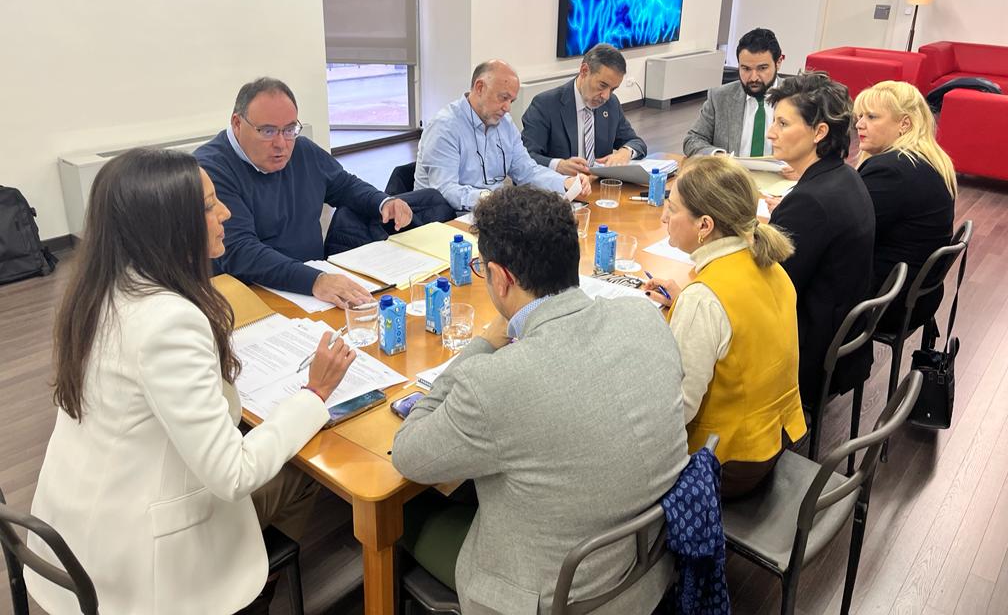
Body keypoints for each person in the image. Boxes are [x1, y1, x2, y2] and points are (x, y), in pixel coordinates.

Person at [26, 148, 355, 615]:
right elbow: (233, 474)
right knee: (301, 469)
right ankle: (258, 594)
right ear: (168, 226)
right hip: (137, 568)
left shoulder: (99, 292)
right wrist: (315, 393)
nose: (226, 214)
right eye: (209, 205)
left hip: (74, 528)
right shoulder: (168, 322)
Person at [391, 185, 688, 614]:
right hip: (644, 570)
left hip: (553, 598)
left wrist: (481, 346)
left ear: (500, 277)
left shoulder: (495, 382)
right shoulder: (644, 316)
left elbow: (407, 454)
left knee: (401, 512)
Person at [195, 77, 453, 308]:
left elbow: (345, 185)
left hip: (314, 286)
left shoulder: (302, 151)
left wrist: (383, 202)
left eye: (289, 129)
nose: (281, 143)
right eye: (268, 131)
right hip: (253, 295)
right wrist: (315, 281)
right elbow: (240, 252)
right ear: (237, 123)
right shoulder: (210, 170)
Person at [643, 156, 805, 499]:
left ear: (704, 225)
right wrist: (685, 304)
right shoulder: (770, 265)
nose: (664, 217)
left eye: (672, 209)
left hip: (724, 463)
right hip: (774, 438)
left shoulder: (704, 299)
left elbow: (678, 409)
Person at [765, 73, 875, 405]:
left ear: (819, 132)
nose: (771, 132)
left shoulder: (809, 202)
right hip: (842, 340)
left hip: (808, 351)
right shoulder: (845, 176)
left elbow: (767, 289)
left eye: (783, 123)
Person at [414, 60, 591, 211]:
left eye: (511, 101)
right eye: (503, 98)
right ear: (480, 87)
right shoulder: (445, 126)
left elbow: (527, 171)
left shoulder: (504, 123)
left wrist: (565, 182)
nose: (508, 108)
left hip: (493, 212)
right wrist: (494, 199)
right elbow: (445, 190)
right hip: (449, 218)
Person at [854, 81, 957, 332]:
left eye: (871, 117)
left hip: (885, 302)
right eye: (859, 116)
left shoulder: (892, 171)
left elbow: (844, 231)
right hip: (916, 295)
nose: (859, 124)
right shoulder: (925, 159)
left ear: (904, 124)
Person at [521, 43, 647, 175]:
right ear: (584, 71)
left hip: (598, 183)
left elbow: (636, 142)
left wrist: (625, 152)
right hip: (562, 184)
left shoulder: (611, 104)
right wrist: (558, 165)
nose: (606, 96)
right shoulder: (545, 105)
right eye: (602, 85)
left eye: (613, 89)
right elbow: (526, 158)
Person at [683, 27, 786, 159]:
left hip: (783, 172)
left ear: (778, 63)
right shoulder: (720, 97)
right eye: (746, 69)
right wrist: (718, 156)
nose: (753, 77)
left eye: (762, 68)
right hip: (732, 171)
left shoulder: (798, 97)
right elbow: (693, 139)